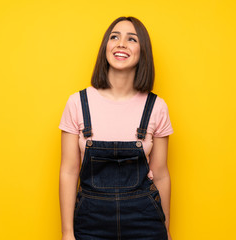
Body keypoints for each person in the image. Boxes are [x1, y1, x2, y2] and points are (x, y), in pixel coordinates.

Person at [59, 16, 174, 240]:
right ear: (106, 47)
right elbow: (69, 171)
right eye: (114, 37)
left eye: (132, 39)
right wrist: (67, 233)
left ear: (143, 52)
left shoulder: (157, 107)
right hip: (90, 223)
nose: (121, 43)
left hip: (145, 222)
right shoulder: (77, 103)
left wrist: (167, 232)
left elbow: (160, 174)